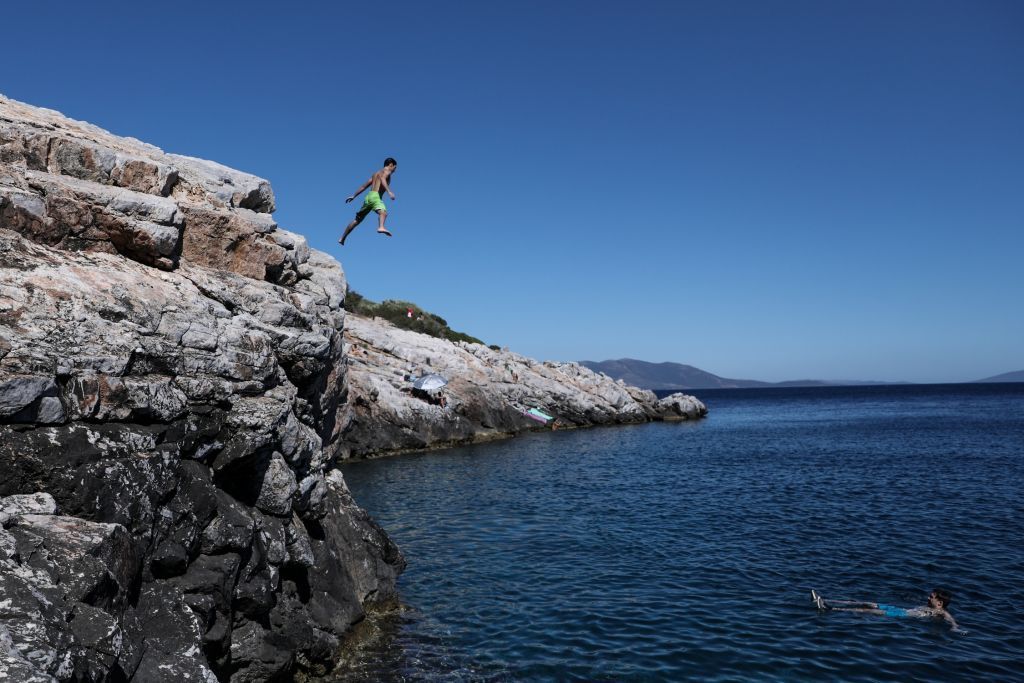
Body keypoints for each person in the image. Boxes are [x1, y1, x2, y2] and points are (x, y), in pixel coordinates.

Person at [812, 589, 962, 631]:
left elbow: (950, 619)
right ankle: (825, 599)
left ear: (940, 603)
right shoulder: (928, 606)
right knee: (869, 603)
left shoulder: (941, 612)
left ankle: (830, 608)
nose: (928, 598)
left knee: (866, 611)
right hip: (899, 609)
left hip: (900, 614)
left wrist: (955, 628)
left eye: (931, 597)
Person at [339, 158, 398, 245]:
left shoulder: (375, 174)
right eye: (395, 168)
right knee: (383, 213)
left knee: (357, 220)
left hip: (368, 197)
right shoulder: (387, 171)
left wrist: (354, 196)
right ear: (391, 165)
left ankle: (342, 238)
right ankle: (381, 227)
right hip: (376, 197)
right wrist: (389, 191)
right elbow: (383, 179)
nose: (394, 170)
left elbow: (364, 186)